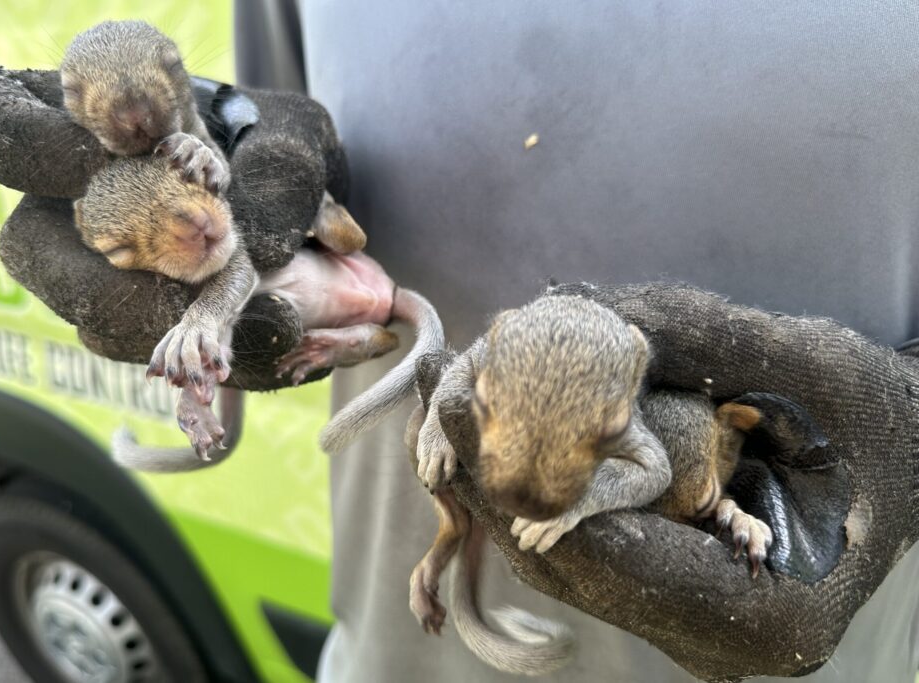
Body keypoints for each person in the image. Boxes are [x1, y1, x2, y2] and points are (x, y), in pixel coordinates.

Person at [236, 2, 919, 680]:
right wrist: (219, 239)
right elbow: (275, 181)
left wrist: (909, 434)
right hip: (399, 650)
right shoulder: (495, 361)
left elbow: (648, 465)